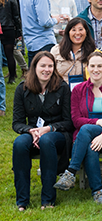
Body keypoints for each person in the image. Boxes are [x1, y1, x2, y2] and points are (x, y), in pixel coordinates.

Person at [53, 51, 102, 204]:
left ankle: (71, 172)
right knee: (89, 143)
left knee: (86, 130)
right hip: (86, 139)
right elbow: (76, 120)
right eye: (92, 66)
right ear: (87, 68)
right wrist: (100, 122)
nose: (96, 69)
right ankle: (98, 191)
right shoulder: (78, 90)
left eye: (99, 66)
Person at [12, 51, 72, 211]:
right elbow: (16, 123)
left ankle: (48, 199)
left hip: (57, 133)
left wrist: (48, 129)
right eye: (42, 66)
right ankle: (22, 201)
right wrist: (31, 131)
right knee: (19, 144)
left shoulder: (62, 88)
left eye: (50, 66)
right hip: (32, 132)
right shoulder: (22, 89)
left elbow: (68, 122)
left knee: (47, 140)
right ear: (35, 67)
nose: (46, 69)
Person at [19, 0, 58, 67]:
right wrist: (56, 20)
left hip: (30, 40)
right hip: (43, 41)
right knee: (46, 76)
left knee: (34, 78)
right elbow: (44, 21)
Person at [50, 17, 96, 89]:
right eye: (73, 30)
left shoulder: (93, 52)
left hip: (84, 92)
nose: (77, 33)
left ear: (86, 32)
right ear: (68, 32)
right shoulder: (56, 50)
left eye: (81, 29)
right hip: (61, 92)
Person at [0, 0, 21, 84]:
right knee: (10, 54)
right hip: (9, 28)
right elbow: (16, 16)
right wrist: (19, 31)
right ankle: (12, 76)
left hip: (1, 27)